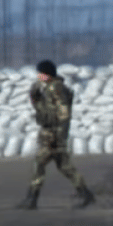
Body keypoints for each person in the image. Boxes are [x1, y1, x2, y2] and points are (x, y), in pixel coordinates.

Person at [16, 60, 95, 210]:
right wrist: (35, 96)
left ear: (47, 74)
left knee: (39, 163)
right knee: (65, 167)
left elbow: (63, 113)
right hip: (49, 132)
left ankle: (32, 199)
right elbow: (43, 109)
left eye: (41, 73)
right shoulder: (47, 88)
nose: (38, 75)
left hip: (54, 134)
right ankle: (86, 194)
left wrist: (59, 135)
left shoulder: (57, 88)